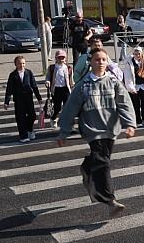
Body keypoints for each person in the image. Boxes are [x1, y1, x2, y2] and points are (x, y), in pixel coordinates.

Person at [56, 47, 137, 218]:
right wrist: (64, 132)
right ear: (90, 62)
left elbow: (124, 103)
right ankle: (110, 201)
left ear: (107, 62)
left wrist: (130, 124)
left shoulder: (114, 83)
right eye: (96, 60)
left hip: (110, 131)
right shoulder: (83, 86)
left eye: (103, 60)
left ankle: (87, 168)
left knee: (102, 161)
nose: (100, 63)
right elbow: (70, 109)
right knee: (104, 164)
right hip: (93, 131)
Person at [4, 55, 42, 143]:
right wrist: (6, 102)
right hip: (19, 100)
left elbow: (34, 85)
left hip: (28, 98)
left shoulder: (29, 73)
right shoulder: (13, 75)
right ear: (16, 64)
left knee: (32, 115)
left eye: (23, 63)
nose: (22, 65)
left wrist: (39, 97)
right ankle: (23, 135)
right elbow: (9, 89)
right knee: (20, 118)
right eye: (19, 63)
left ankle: (29, 130)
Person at [123, 46, 144, 126]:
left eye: (138, 54)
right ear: (133, 54)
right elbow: (128, 76)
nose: (137, 55)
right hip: (134, 86)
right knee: (135, 104)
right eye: (135, 54)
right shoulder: (129, 63)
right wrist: (130, 87)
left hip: (143, 86)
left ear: (141, 54)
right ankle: (137, 120)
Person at [45, 49, 74, 128]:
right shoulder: (52, 68)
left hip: (66, 89)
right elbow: (48, 77)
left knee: (67, 106)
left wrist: (73, 87)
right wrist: (47, 82)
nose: (61, 59)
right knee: (57, 107)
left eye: (63, 58)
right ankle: (53, 118)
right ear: (56, 58)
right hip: (56, 90)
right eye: (59, 58)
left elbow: (71, 80)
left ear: (65, 58)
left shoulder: (68, 68)